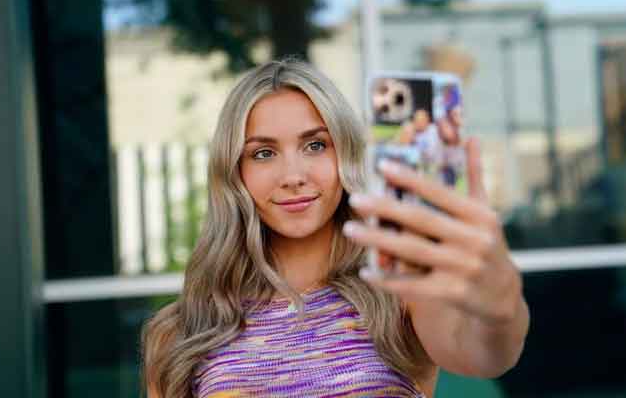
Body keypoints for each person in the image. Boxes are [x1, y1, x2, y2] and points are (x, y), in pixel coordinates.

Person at [142, 59, 530, 398]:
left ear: (346, 153)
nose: (293, 176)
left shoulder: (400, 296)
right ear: (235, 173)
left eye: (315, 146)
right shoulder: (180, 332)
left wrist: (500, 308)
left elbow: (483, 354)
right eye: (263, 153)